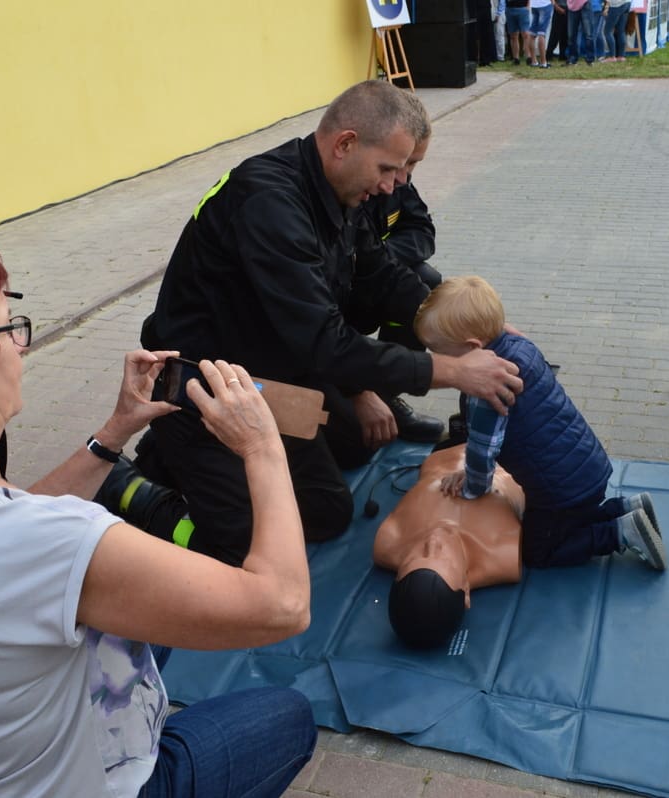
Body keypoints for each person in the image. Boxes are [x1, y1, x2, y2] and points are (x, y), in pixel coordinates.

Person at [0, 219, 316, 796]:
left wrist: (112, 434)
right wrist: (262, 446)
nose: (21, 345)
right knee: (287, 715)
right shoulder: (58, 541)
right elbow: (284, 606)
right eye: (8, 327)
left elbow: (4, 527)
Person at [137, 81, 523, 567]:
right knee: (275, 534)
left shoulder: (338, 192)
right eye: (388, 168)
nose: (394, 185)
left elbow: (383, 277)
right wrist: (453, 371)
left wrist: (479, 331)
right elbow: (325, 343)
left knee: (357, 444)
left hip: (265, 376)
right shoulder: (270, 203)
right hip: (202, 388)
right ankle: (142, 490)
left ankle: (184, 460)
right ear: (345, 144)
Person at [414, 276, 665, 576]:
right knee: (569, 520)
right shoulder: (519, 346)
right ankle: (625, 508)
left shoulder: (487, 391)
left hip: (558, 491)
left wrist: (472, 487)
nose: (435, 360)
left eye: (438, 351)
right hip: (587, 468)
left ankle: (620, 533)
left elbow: (483, 451)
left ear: (471, 348)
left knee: (539, 549)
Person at [374, 443, 664, 649]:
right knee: (548, 538)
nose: (433, 542)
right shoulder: (499, 552)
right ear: (465, 590)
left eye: (419, 554)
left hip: (460, 449)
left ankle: (618, 514)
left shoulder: (389, 541)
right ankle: (619, 528)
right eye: (440, 556)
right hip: (508, 458)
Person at [352, 111, 445, 445]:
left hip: (366, 283)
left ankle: (384, 393)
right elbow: (311, 322)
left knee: (426, 282)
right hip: (335, 303)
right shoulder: (347, 188)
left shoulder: (395, 182)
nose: (401, 179)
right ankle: (359, 393)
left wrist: (469, 325)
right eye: (400, 164)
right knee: (353, 447)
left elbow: (422, 231)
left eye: (413, 164)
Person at [531, 0, 556, 66]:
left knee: (532, 34)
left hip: (534, 5)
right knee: (541, 33)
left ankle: (534, 61)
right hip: (544, 4)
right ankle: (543, 62)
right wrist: (552, 1)